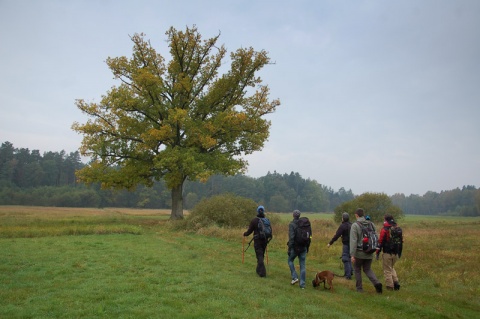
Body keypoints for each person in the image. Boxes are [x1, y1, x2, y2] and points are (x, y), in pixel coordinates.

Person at [349, 208, 383, 293]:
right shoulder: (371, 224)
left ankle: (359, 288)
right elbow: (376, 237)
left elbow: (353, 241)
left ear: (356, 215)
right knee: (367, 269)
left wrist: (352, 254)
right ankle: (377, 283)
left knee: (357, 269)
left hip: (359, 253)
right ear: (363, 215)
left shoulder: (355, 225)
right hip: (370, 251)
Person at [376, 214, 402, 291]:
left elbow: (381, 241)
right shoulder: (397, 228)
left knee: (387, 270)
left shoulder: (385, 229)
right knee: (391, 268)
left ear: (385, 219)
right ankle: (396, 282)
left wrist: (377, 252)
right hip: (396, 252)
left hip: (387, 252)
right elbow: (401, 241)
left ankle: (390, 287)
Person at [243, 205, 269, 277]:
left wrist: (244, 234)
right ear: (263, 211)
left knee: (259, 256)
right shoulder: (266, 220)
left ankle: (262, 273)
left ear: (257, 211)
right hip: (265, 240)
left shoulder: (254, 220)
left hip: (257, 240)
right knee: (261, 255)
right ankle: (258, 270)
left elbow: (249, 231)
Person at [287, 210, 309, 289]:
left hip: (295, 247)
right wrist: (307, 247)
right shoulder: (304, 224)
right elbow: (309, 237)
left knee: (290, 260)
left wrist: (289, 248)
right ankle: (302, 284)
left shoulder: (292, 224)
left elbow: (291, 238)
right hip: (303, 247)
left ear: (293, 215)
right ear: (299, 215)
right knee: (302, 265)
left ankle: (295, 277)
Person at [327, 212, 353, 279]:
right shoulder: (352, 224)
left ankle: (348, 275)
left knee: (345, 259)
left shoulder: (343, 226)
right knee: (350, 258)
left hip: (346, 244)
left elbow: (337, 235)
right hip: (353, 245)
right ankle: (350, 272)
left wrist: (330, 243)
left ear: (343, 219)